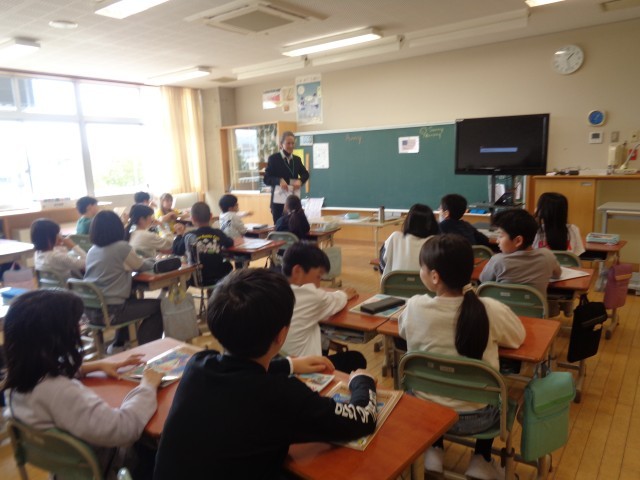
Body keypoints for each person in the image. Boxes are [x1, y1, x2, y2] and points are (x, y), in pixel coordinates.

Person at [153, 268, 377, 479]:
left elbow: (240, 372)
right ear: (281, 335)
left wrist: (289, 365)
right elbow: (363, 418)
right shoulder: (282, 396)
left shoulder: (198, 365)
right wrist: (362, 380)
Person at [399, 235, 525, 478]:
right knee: (500, 393)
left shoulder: (414, 307)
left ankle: (433, 452)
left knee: (435, 385)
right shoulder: (489, 308)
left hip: (425, 413)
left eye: (422, 267)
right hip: (479, 419)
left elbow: (403, 331)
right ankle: (481, 459)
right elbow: (517, 336)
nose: (420, 271)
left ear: (434, 277)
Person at [3, 289, 164, 479]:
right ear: (56, 337)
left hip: (65, 470)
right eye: (75, 324)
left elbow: (51, 374)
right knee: (160, 440)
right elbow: (124, 428)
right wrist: (147, 386)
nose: (80, 328)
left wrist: (98, 365)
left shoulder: (16, 383)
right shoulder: (62, 393)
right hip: (107, 468)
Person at [84, 210, 164, 352]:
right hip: (112, 312)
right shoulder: (121, 247)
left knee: (131, 298)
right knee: (161, 305)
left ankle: (120, 344)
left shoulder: (92, 250)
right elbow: (140, 265)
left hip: (91, 312)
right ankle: (146, 349)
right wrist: (155, 260)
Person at [282, 242, 366, 373]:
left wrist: (330, 344)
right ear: (297, 271)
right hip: (307, 371)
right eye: (318, 277)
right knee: (357, 359)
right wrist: (345, 294)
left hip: (281, 365)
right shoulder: (311, 295)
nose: (318, 284)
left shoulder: (275, 289)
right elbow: (337, 300)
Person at [479, 209, 561, 296]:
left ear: (518, 241)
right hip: (536, 305)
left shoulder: (498, 261)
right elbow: (557, 275)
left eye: (500, 236)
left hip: (501, 304)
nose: (497, 241)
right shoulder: (547, 256)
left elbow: (483, 280)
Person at [173, 202, 235, 286]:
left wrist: (179, 235)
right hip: (218, 277)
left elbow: (177, 250)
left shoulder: (189, 235)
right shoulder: (218, 233)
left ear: (192, 219)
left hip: (196, 278)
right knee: (228, 265)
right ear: (211, 216)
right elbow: (230, 243)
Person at [264, 131, 309, 223]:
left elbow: (305, 174)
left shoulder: (297, 159)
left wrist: (300, 181)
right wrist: (279, 180)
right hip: (278, 202)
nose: (291, 146)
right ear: (281, 144)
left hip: (293, 201)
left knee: (296, 227)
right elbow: (266, 178)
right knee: (280, 227)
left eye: (293, 143)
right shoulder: (273, 159)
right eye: (288, 143)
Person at [380, 203, 439, 274]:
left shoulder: (395, 237)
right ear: (432, 223)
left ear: (408, 221)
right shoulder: (435, 243)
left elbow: (382, 265)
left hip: (395, 281)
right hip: (424, 281)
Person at [533, 192, 585, 256]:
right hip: (566, 263)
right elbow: (576, 256)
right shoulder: (573, 229)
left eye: (538, 206)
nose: (536, 208)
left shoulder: (536, 231)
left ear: (544, 211)